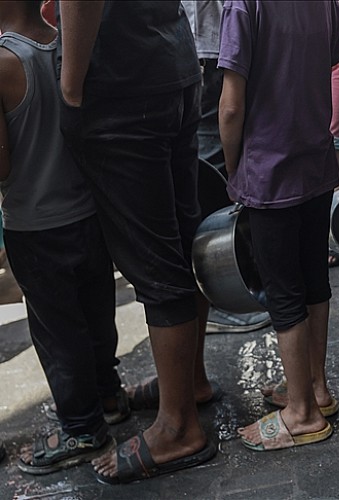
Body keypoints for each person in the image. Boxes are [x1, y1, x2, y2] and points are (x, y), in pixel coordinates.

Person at [58, 0, 217, 483]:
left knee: (154, 259)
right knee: (181, 242)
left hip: (121, 82)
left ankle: (177, 427)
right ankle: (189, 384)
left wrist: (71, 86)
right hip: (171, 62)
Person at [219, 0, 339, 450]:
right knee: (314, 278)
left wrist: (233, 168)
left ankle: (301, 413)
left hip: (268, 171)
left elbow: (231, 107)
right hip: (314, 161)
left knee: (283, 291)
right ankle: (315, 388)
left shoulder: (243, 5)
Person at [0, 0, 123, 475]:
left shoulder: (5, 62)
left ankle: (81, 426)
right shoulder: (66, 43)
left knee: (58, 331)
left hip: (35, 223)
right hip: (88, 212)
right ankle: (108, 395)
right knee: (96, 312)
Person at [181, 0, 272, 335]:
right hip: (208, 47)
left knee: (214, 172)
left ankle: (225, 291)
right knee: (213, 175)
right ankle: (223, 292)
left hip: (210, 46)